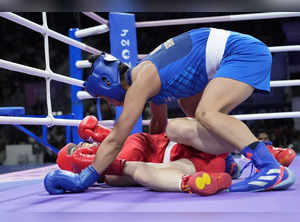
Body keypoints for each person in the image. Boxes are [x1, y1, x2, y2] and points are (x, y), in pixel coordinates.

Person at [44, 27, 295, 194]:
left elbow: (117, 138)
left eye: (105, 99)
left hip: (240, 53)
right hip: (234, 53)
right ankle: (252, 156)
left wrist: (84, 179)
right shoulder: (151, 79)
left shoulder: (140, 82)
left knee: (207, 113)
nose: (112, 104)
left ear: (107, 84)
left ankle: (269, 167)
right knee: (193, 117)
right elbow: (158, 127)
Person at [47, 116, 232, 196]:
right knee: (130, 171)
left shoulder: (114, 145)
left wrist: (101, 135)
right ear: (76, 163)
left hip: (190, 142)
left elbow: (127, 144)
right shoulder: (113, 175)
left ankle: (245, 147)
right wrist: (100, 165)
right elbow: (132, 154)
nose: (80, 144)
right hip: (188, 166)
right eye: (73, 149)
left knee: (176, 128)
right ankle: (204, 180)